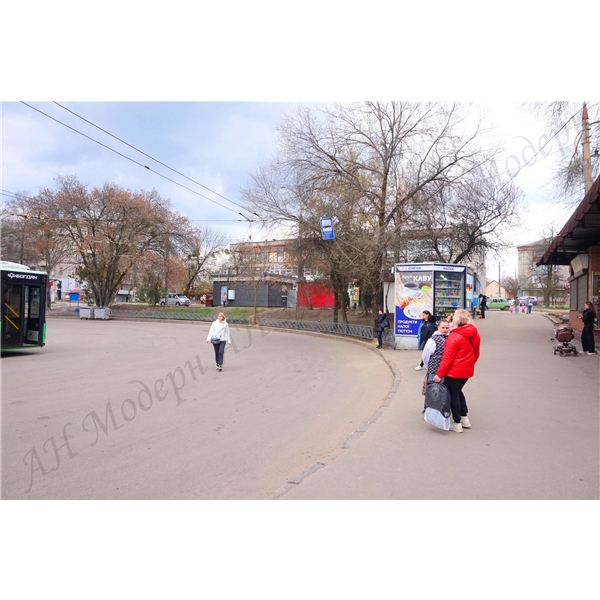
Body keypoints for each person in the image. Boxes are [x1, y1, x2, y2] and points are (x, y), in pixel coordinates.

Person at [433, 309, 481, 433]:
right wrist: (469, 365)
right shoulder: (475, 335)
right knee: (458, 392)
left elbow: (447, 358)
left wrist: (439, 374)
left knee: (454, 395)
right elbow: (476, 354)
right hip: (466, 371)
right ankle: (464, 418)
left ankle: (457, 422)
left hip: (453, 372)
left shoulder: (454, 336)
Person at [422, 318, 450, 383]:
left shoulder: (450, 338)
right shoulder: (432, 340)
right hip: (435, 370)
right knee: (434, 388)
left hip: (447, 371)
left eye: (447, 328)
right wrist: (428, 366)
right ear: (438, 327)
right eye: (443, 328)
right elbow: (426, 354)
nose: (445, 330)